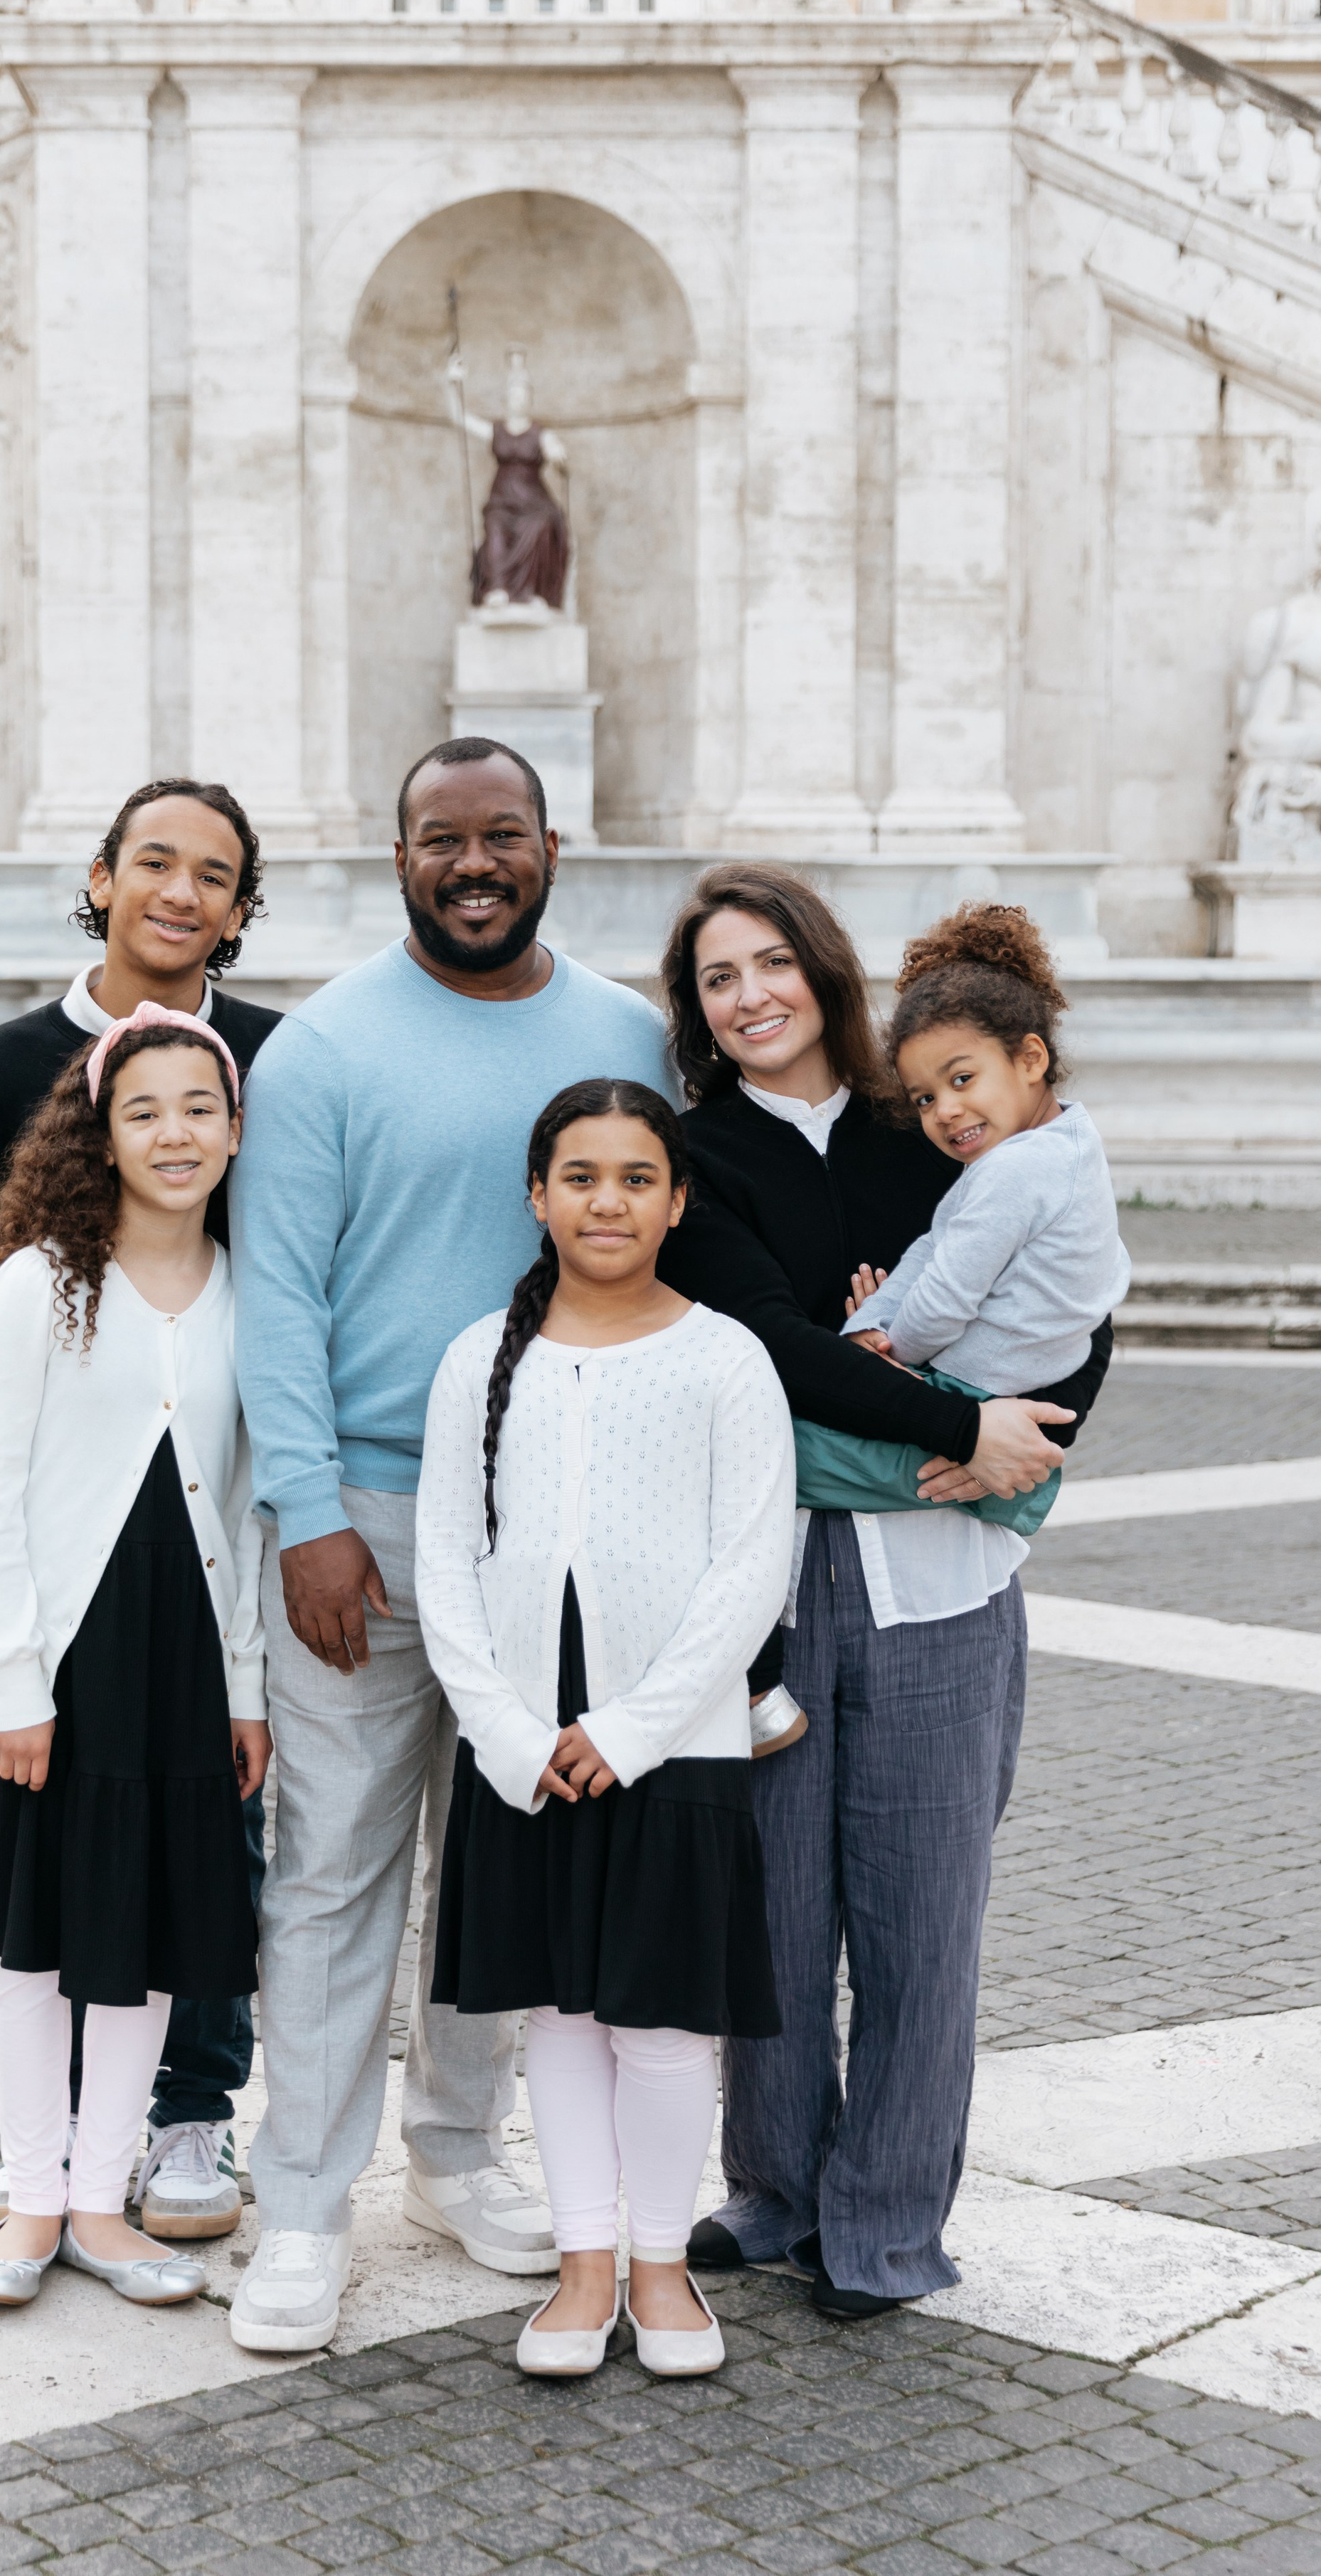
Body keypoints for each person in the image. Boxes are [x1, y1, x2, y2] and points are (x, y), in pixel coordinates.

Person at [227, 736, 675, 2353]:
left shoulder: (627, 1031)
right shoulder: (324, 1049)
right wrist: (304, 1513)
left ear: (550, 845)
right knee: (334, 1867)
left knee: (498, 1868)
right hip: (362, 1515)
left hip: (547, 1522)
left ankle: (453, 2155)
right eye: (439, 838)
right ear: (396, 851)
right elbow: (273, 1296)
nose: (470, 863)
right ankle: (297, 2206)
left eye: (499, 836)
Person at [653, 864, 1113, 2322]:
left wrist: (1026, 1445)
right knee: (775, 1911)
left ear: (821, 971)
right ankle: (775, 2188)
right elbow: (770, 1346)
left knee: (923, 1915)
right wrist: (949, 1418)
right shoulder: (693, 1155)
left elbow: (1072, 1303)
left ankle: (886, 2226)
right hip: (766, 1580)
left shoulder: (932, 1126)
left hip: (943, 1576)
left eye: (770, 963)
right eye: (717, 978)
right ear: (695, 1010)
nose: (750, 997)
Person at [0, 777, 280, 2245]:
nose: (181, 892)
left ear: (241, 908)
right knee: (54, 1841)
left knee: (198, 1843)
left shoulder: (273, 1062)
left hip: (208, 1534)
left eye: (214, 874)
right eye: (155, 862)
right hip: (59, 1539)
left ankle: (187, 2115)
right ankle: (53, 2161)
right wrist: (3, 1605)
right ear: (101, 877)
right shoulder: (9, 1060)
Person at [416, 1080, 794, 2380]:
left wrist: (632, 1729)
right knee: (561, 2016)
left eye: (638, 1177)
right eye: (581, 1176)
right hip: (524, 1745)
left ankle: (659, 2265)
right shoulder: (481, 1358)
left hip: (671, 1741)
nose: (609, 1201)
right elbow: (447, 1564)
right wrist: (510, 1735)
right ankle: (582, 2266)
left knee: (664, 2022)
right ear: (538, 1195)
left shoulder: (724, 1357)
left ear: (678, 1199)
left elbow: (750, 1569)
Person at [807, 905, 1130, 1536]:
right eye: (925, 1098)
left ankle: (1009, 1492)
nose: (945, 1112)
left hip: (970, 1397)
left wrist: (889, 1358)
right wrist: (870, 1325)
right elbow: (935, 1247)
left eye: (962, 1079)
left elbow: (946, 1297)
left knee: (799, 1456)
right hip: (990, 1388)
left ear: (1030, 1059)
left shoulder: (1015, 1171)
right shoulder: (1063, 1142)